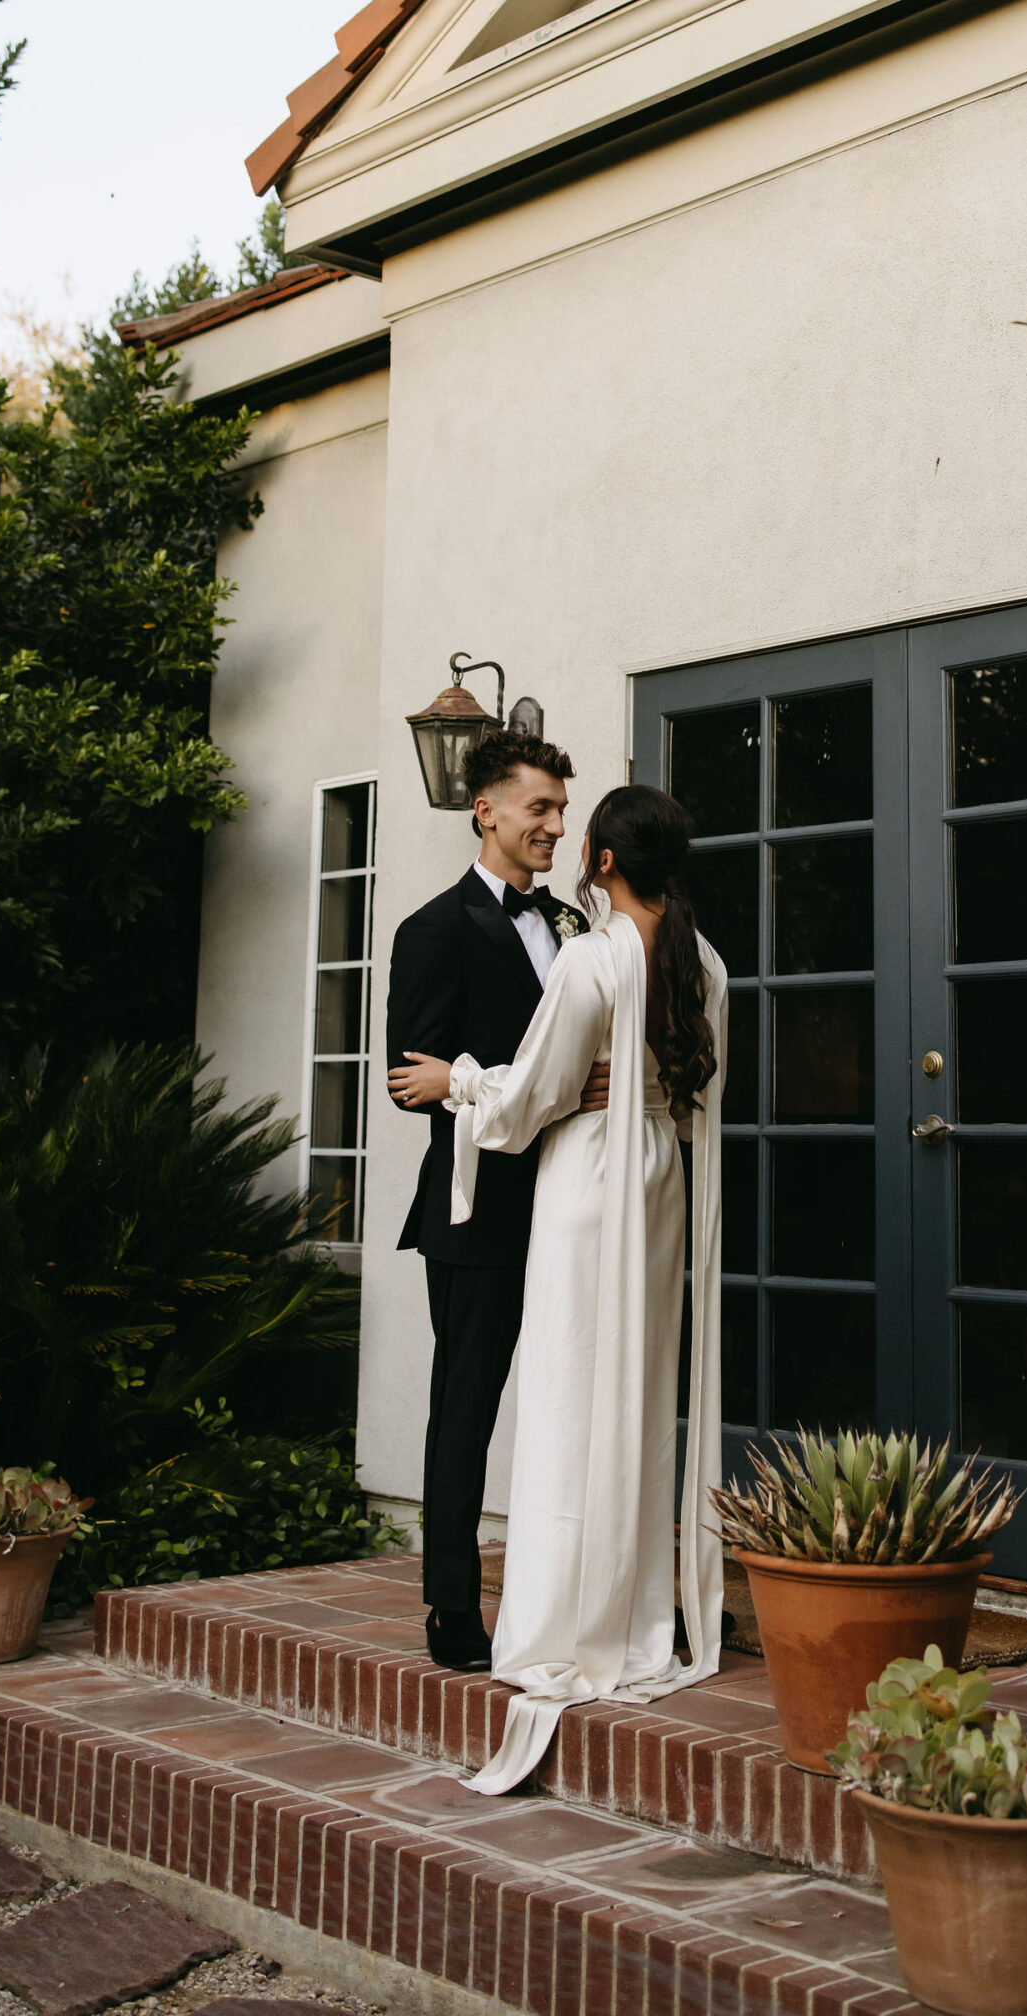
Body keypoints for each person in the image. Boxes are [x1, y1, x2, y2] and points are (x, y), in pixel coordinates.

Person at [388, 784, 726, 1795]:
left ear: (604, 859)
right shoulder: (707, 964)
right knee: (633, 1402)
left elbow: (534, 1091)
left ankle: (559, 1623)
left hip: (586, 1189)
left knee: (571, 1400)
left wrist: (460, 1084)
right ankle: (630, 1612)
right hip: (662, 1183)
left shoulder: (591, 952)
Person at [385, 729, 584, 1673]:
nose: (554, 824)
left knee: (578, 1403)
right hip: (476, 1214)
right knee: (465, 1410)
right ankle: (451, 1608)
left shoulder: (574, 928)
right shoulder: (432, 928)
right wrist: (530, 1086)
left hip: (575, 1205)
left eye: (559, 808)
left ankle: (585, 1593)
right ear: (487, 810)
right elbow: (409, 1079)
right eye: (539, 807)